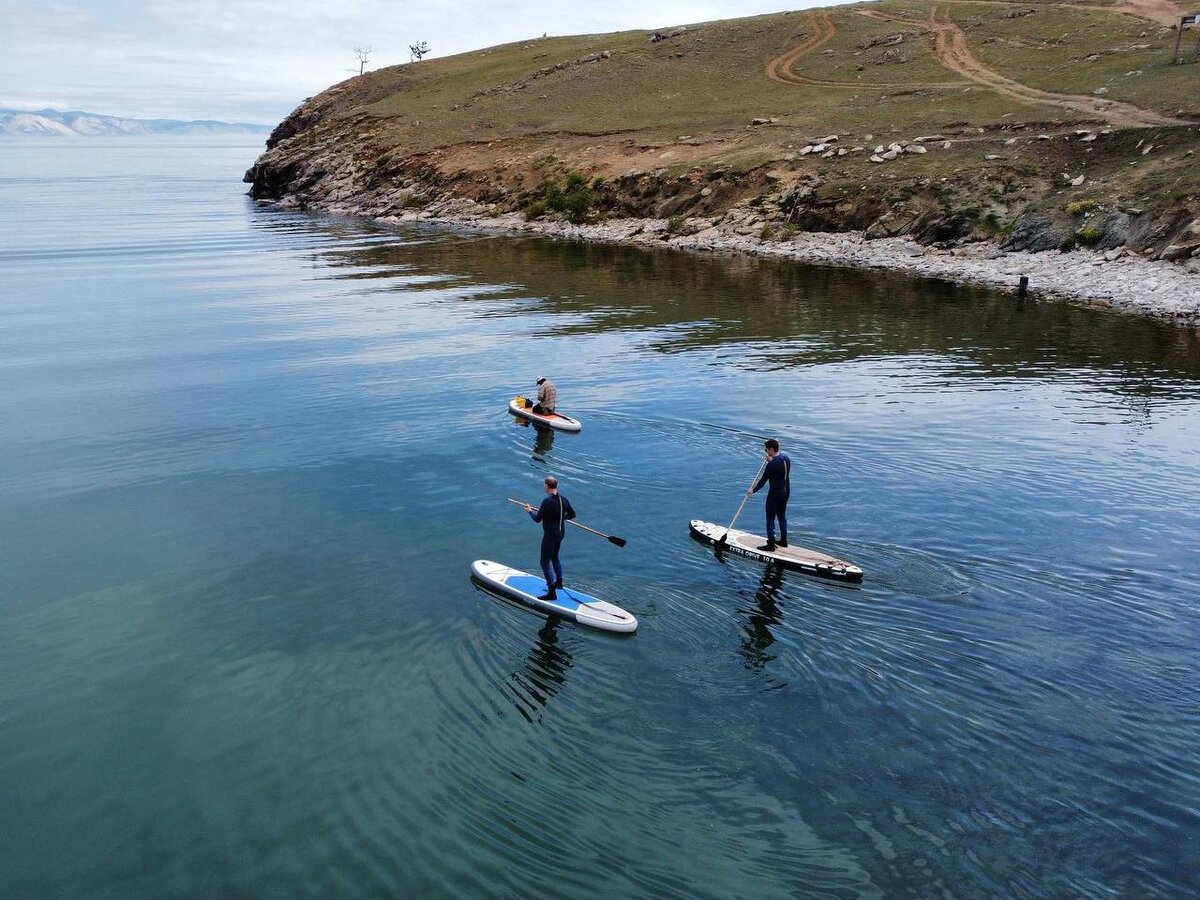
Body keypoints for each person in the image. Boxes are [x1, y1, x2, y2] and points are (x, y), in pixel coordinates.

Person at [524, 475, 576, 600]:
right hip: (560, 534)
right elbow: (572, 515)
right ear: (556, 486)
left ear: (547, 486)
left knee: (544, 562)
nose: (544, 486)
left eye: (544, 484)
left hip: (550, 536)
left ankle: (552, 593)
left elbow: (537, 519)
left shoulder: (546, 502)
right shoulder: (564, 500)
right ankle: (559, 583)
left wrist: (530, 511)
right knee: (555, 557)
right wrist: (562, 518)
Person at [747, 438, 791, 552]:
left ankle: (770, 544)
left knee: (770, 517)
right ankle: (784, 541)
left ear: (771, 449)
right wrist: (770, 459)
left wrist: (753, 490)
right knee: (781, 516)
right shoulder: (786, 459)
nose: (766, 452)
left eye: (766, 450)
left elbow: (763, 481)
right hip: (786, 492)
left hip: (775, 494)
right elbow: (778, 465)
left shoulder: (771, 465)